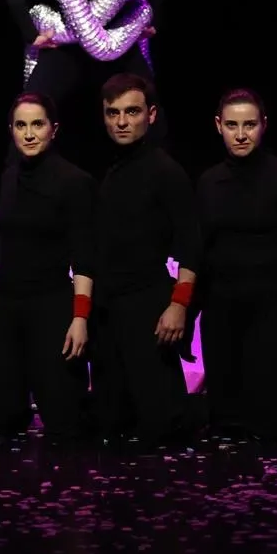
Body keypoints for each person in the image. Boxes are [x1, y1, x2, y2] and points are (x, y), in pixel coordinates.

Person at [194, 89, 277, 442]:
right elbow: (199, 255)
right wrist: (187, 312)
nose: (241, 134)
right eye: (232, 125)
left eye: (249, 125)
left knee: (272, 425)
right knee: (226, 425)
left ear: (264, 125)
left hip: (276, 311)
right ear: (218, 126)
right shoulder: (208, 183)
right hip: (222, 313)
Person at [0, 0, 169, 173]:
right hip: (68, 50)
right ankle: (15, 180)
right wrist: (32, 34)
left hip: (116, 45)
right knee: (31, 103)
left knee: (148, 99)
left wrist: (153, 19)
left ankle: (160, 176)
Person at [0, 93, 95, 441]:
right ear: (11, 130)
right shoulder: (10, 177)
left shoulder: (74, 181)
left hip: (51, 303)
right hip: (7, 303)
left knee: (65, 422)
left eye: (37, 124)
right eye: (21, 125)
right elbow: (11, 247)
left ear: (53, 129)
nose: (28, 134)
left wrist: (80, 318)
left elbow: (85, 257)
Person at [87, 73, 200, 446]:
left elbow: (191, 246)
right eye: (113, 113)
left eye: (132, 112)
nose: (121, 121)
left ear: (150, 115)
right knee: (111, 422)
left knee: (160, 424)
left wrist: (179, 306)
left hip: (148, 306)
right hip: (106, 308)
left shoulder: (167, 172)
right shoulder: (107, 169)